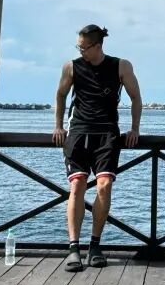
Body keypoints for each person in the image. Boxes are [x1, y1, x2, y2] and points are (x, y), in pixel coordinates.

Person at [52, 24, 142, 271]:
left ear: (98, 46)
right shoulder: (71, 67)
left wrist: (134, 129)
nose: (80, 51)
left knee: (104, 185)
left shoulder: (121, 66)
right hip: (78, 132)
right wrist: (58, 126)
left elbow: (136, 97)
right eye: (78, 47)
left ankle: (95, 245)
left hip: (107, 133)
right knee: (77, 185)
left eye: (84, 47)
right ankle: (73, 248)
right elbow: (60, 94)